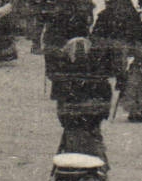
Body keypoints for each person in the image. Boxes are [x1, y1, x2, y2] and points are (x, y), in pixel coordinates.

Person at [46, 36, 113, 170]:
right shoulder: (97, 74)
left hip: (74, 120)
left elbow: (60, 101)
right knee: (92, 139)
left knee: (74, 140)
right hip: (89, 119)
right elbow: (105, 98)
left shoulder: (64, 75)